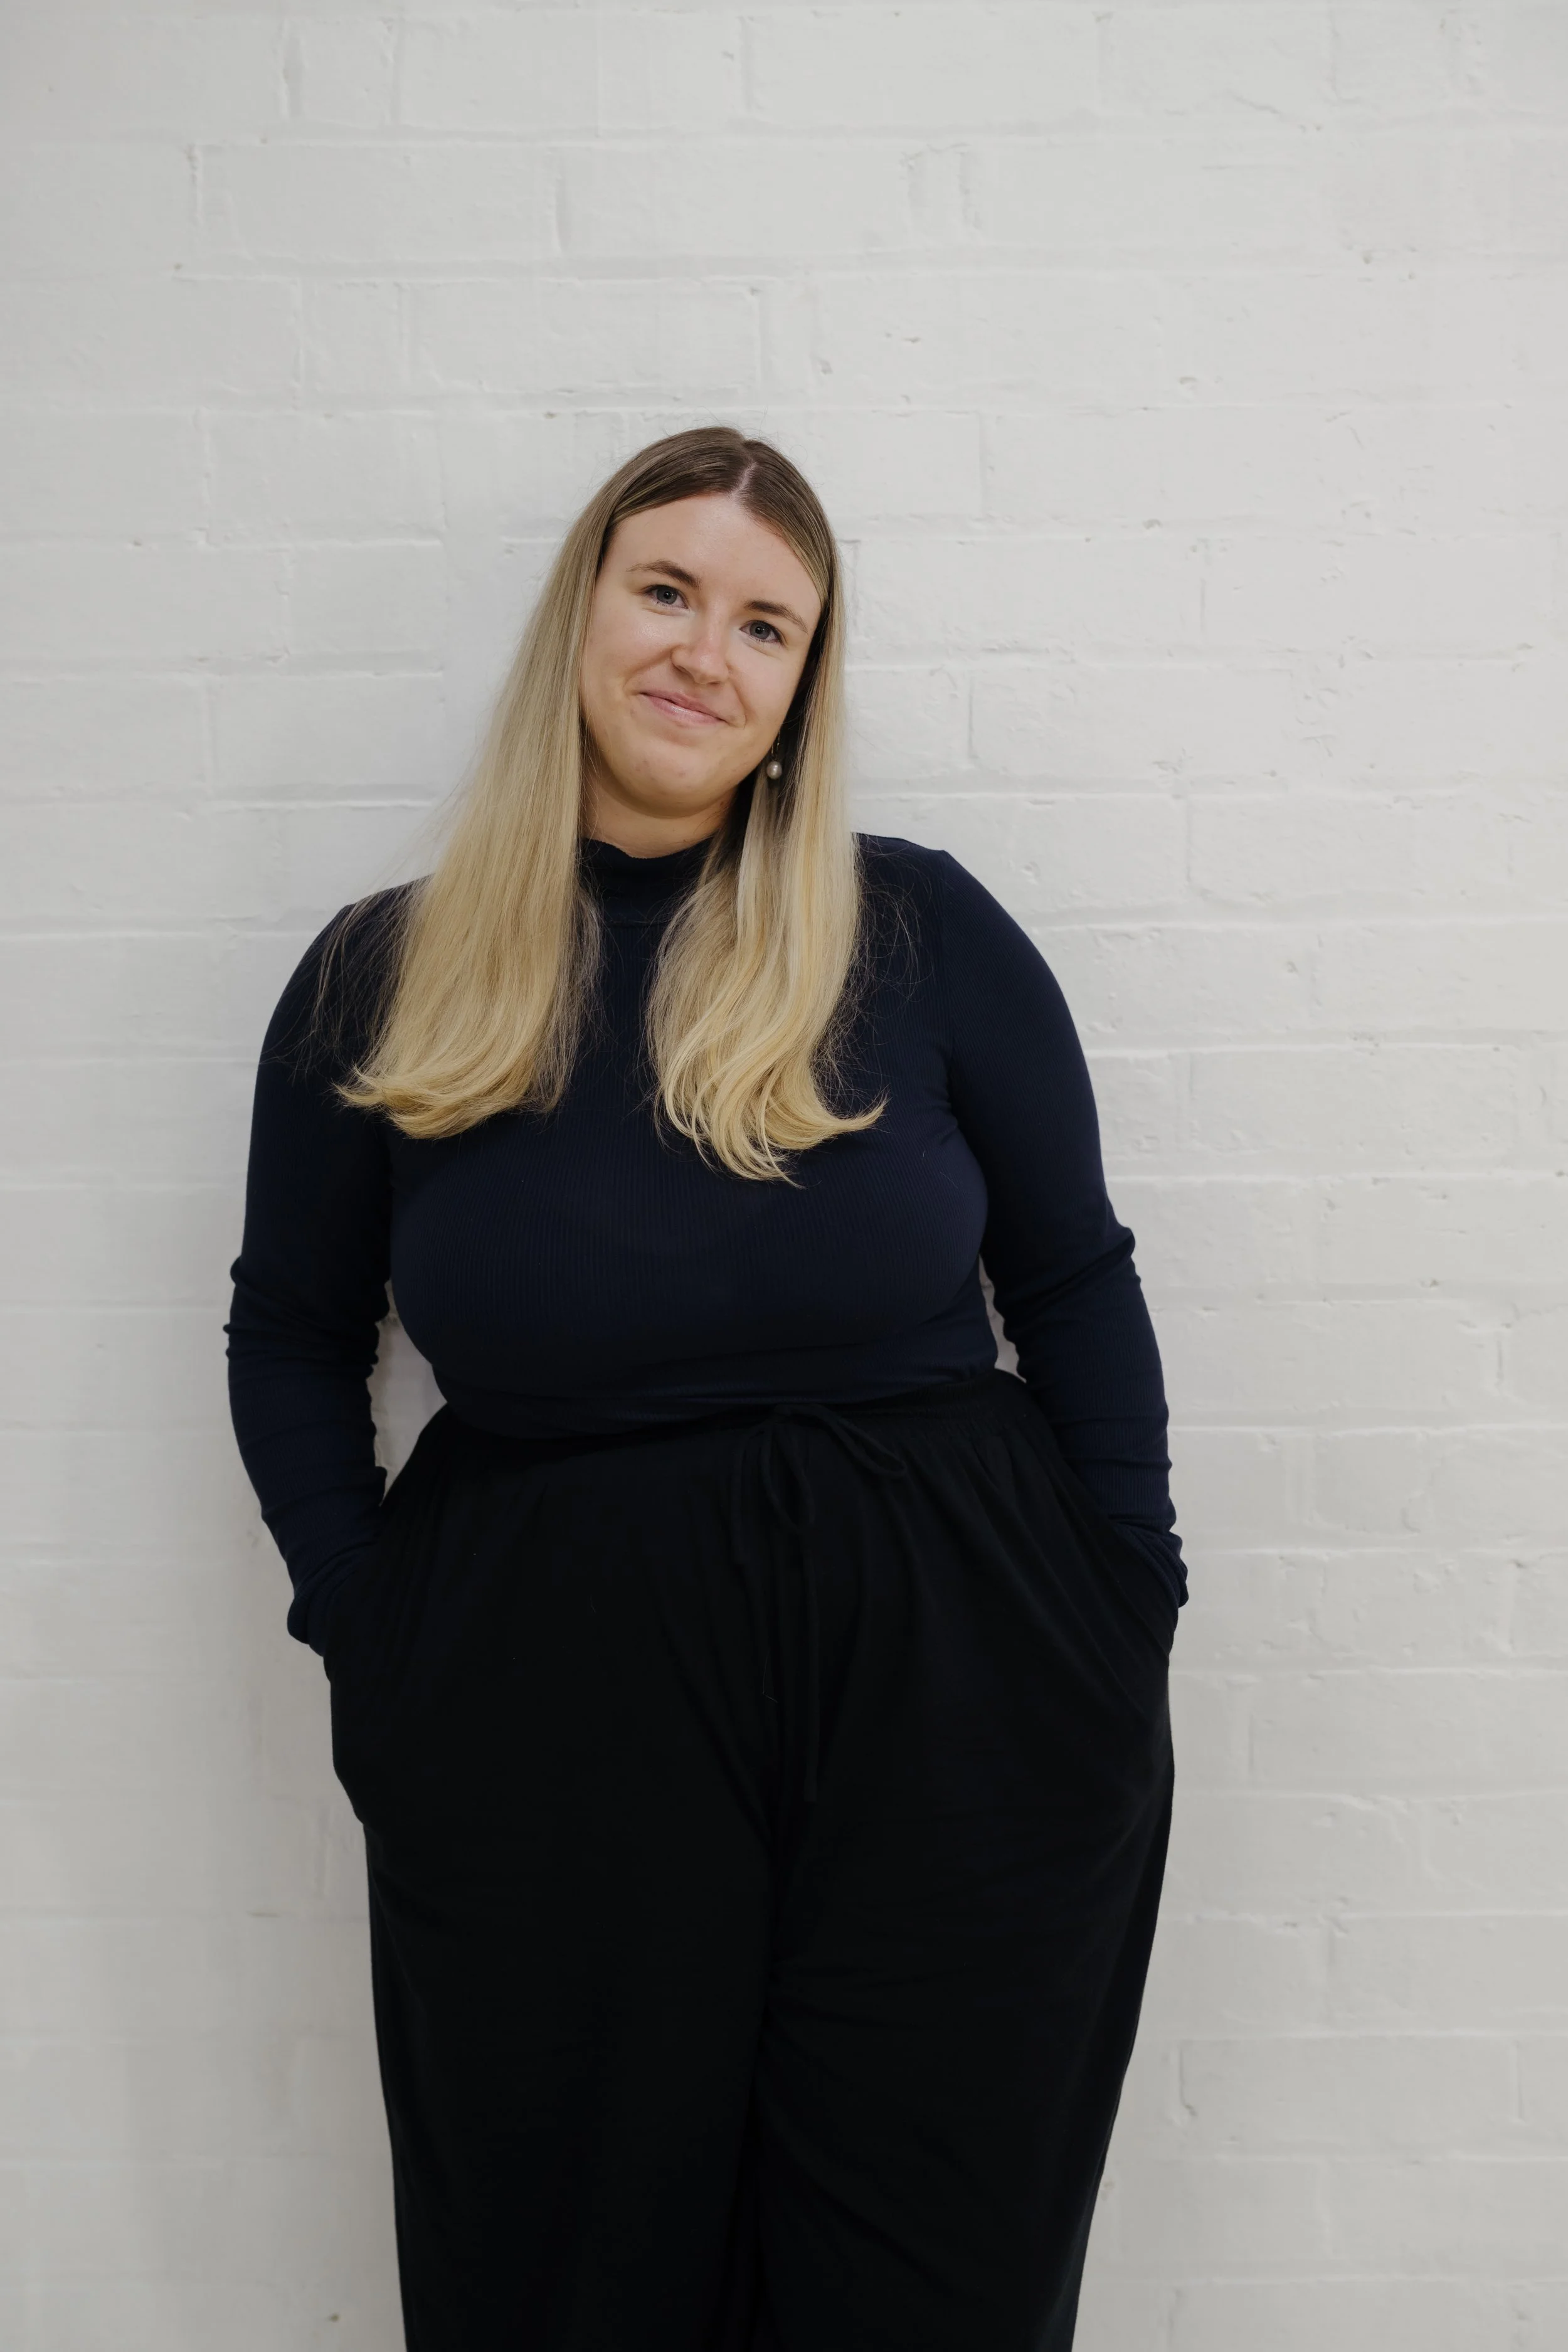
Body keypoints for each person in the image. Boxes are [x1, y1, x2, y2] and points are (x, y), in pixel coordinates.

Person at [225, 425, 1185, 2352]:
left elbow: (1070, 1279)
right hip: (540, 1675)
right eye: (667, 589)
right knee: (569, 2254)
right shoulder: (385, 973)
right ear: (582, 610)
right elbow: (289, 1331)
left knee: (927, 2257)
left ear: (799, 690)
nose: (705, 652)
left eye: (767, 625)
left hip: (955, 1668)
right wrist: (371, 1628)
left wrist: (1121, 1593)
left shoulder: (913, 931)